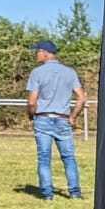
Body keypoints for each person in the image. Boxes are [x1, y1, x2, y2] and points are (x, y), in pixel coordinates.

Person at [25, 40, 85, 200]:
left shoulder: (37, 73)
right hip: (63, 119)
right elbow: (81, 98)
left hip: (43, 118)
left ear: (45, 52)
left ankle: (47, 194)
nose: (36, 54)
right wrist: (73, 117)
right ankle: (75, 192)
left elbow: (32, 101)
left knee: (44, 157)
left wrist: (31, 114)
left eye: (37, 51)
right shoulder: (70, 72)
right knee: (69, 157)